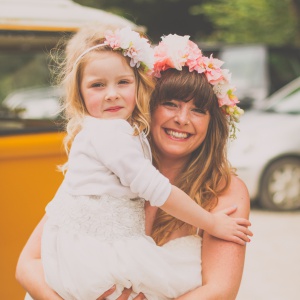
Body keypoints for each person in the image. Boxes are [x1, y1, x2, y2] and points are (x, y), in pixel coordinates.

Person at [16, 28, 252, 300]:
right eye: (170, 104)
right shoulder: (108, 166)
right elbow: (27, 265)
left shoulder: (225, 189)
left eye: (198, 110)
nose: (182, 119)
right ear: (148, 103)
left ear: (213, 124)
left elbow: (221, 291)